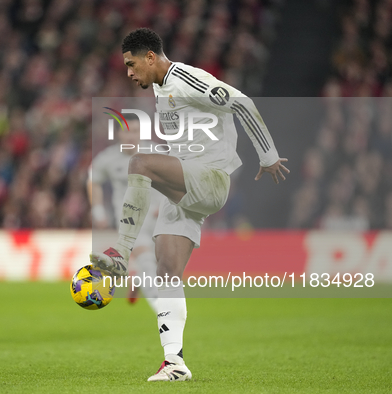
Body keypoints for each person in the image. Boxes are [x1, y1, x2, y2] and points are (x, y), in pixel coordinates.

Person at [90, 28, 289, 382]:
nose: (129, 73)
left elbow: (241, 102)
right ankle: (175, 363)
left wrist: (268, 156)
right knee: (167, 272)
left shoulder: (186, 79)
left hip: (210, 179)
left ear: (150, 57)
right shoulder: (161, 90)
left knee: (139, 163)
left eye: (132, 65)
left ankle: (120, 252)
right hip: (186, 187)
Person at [88, 119, 161, 311]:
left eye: (135, 131)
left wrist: (167, 204)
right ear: (119, 134)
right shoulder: (108, 158)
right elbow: (93, 180)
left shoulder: (156, 153)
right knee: (147, 261)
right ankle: (162, 311)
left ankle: (137, 277)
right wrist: (98, 210)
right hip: (129, 220)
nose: (131, 136)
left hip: (158, 217)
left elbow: (174, 180)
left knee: (163, 267)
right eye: (126, 131)